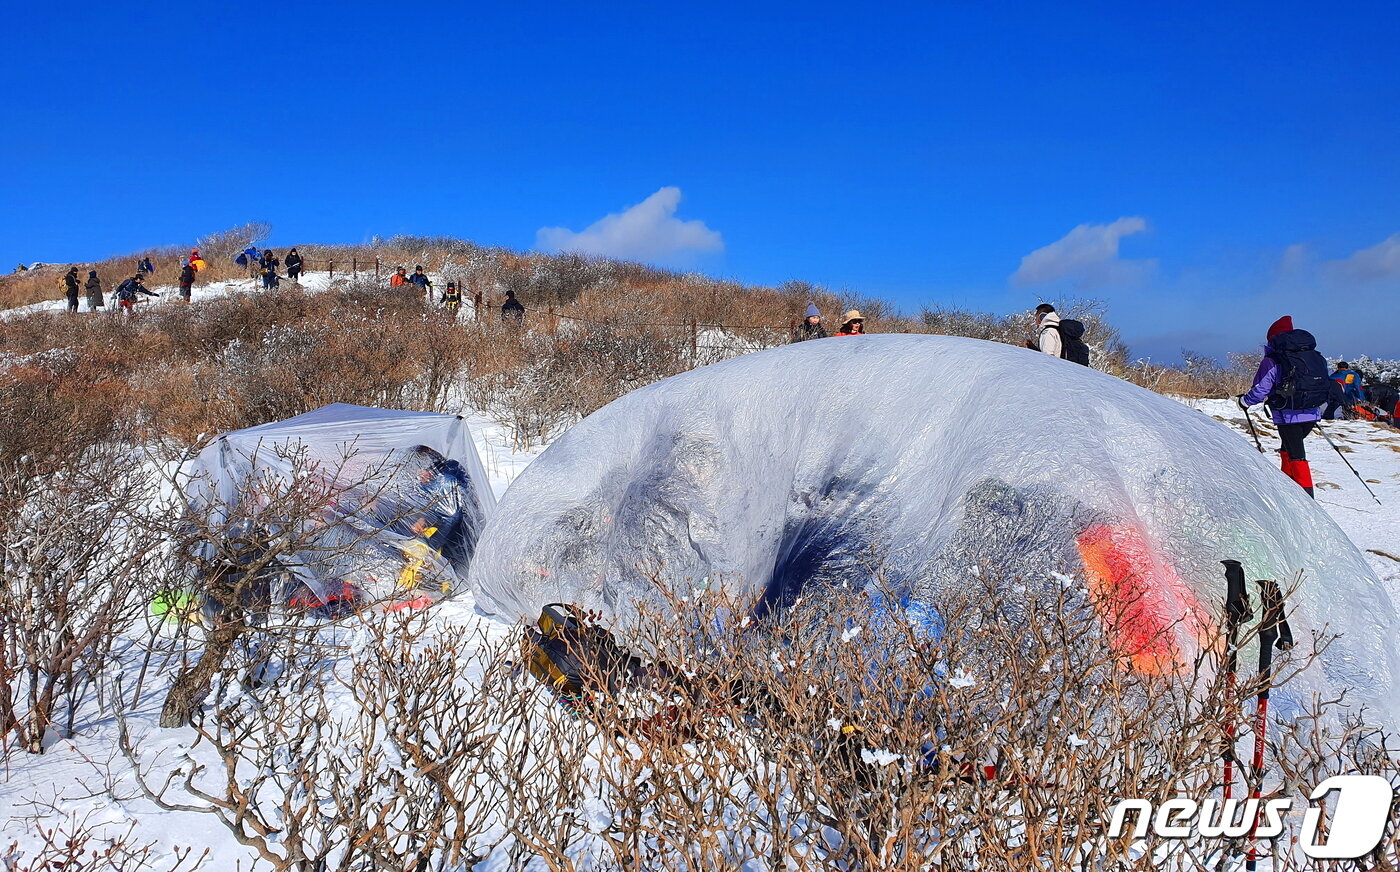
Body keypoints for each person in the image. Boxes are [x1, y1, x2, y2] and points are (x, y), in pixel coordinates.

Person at [1238, 316, 1344, 497]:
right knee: (1288, 449)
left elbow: (1261, 389)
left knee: (1297, 456)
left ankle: (1307, 499)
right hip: (1311, 412)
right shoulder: (1314, 357)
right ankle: (1286, 488)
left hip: (1288, 415)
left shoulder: (1274, 360)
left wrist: (1244, 402)